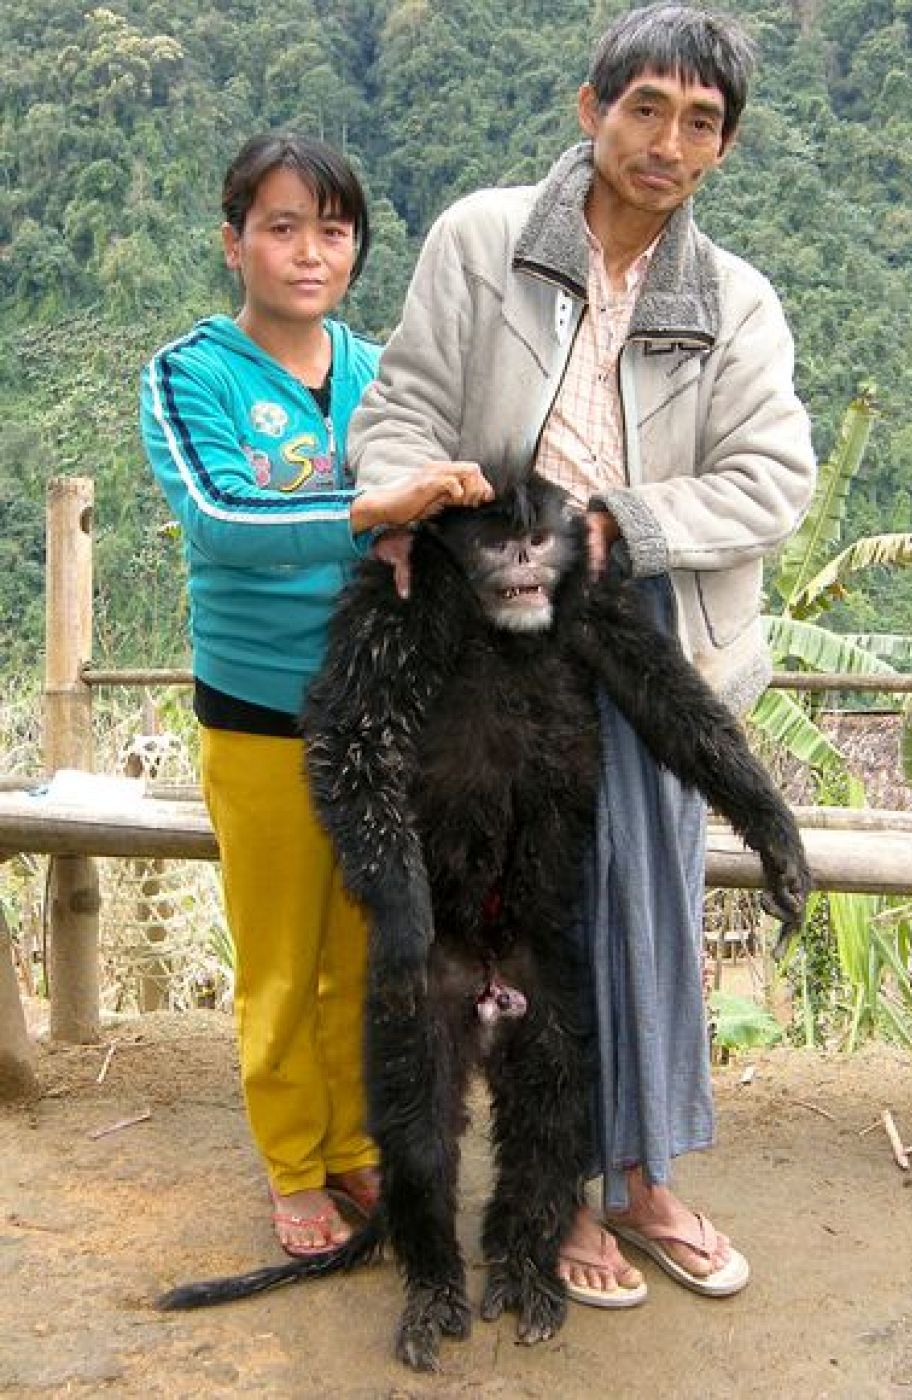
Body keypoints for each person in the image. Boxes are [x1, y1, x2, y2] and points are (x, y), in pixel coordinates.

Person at [347, 5, 816, 1306]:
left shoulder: (731, 302)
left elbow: (772, 477)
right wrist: (405, 493)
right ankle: (546, 1194)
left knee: (648, 909)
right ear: (589, 109)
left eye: (699, 122)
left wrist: (626, 522)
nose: (667, 142)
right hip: (494, 634)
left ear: (722, 147)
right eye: (645, 109)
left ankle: (643, 1175)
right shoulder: (483, 241)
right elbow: (400, 408)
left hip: (640, 627)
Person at [140, 132, 491, 1259]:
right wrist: (367, 507)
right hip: (259, 715)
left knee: (367, 948)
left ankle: (353, 1140)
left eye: (332, 231)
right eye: (281, 226)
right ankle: (294, 1162)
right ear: (232, 239)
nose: (308, 251)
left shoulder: (382, 368)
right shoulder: (189, 373)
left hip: (382, 715)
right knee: (285, 957)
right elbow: (220, 519)